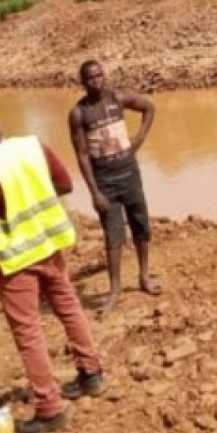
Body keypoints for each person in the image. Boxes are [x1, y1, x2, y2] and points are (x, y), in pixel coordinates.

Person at [0, 111, 105, 433]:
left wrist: (3, 243)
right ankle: (92, 374)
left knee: (28, 332)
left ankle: (50, 407)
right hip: (50, 244)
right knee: (69, 308)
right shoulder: (33, 146)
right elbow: (65, 184)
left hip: (17, 260)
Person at [68, 60, 158, 315]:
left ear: (104, 77)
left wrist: (139, 139)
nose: (96, 80)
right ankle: (115, 290)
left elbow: (149, 108)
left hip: (130, 173)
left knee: (141, 225)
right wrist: (94, 192)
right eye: (90, 78)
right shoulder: (79, 114)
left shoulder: (117, 99)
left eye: (99, 75)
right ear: (83, 82)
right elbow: (82, 155)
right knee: (113, 236)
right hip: (105, 180)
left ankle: (143, 277)